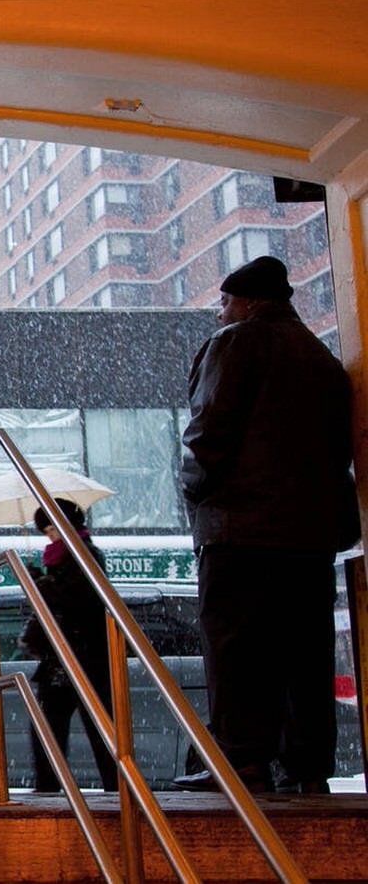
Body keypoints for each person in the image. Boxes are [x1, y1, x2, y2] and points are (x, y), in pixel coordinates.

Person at [174, 255, 355, 795]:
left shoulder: (237, 344)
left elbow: (208, 433)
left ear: (249, 302)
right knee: (304, 649)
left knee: (237, 649)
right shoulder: (321, 359)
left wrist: (194, 491)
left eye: (226, 302)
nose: (221, 314)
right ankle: (306, 762)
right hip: (308, 538)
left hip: (241, 533)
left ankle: (241, 760)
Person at [18, 498, 119, 794]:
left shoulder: (86, 555)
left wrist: (40, 584)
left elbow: (74, 600)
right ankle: (49, 787)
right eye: (45, 530)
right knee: (50, 729)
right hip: (62, 660)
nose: (48, 535)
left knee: (97, 730)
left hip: (85, 659)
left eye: (51, 528)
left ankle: (116, 789)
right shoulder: (62, 557)